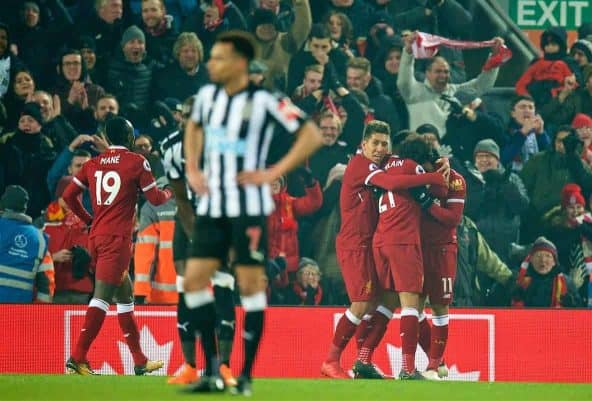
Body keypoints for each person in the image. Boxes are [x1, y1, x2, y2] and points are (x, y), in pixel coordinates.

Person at [183, 31, 321, 395]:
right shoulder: (207, 96)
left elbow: (310, 134)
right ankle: (212, 371)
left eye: (218, 58)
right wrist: (193, 169)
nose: (211, 64)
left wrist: (274, 172)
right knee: (195, 281)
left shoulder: (266, 100)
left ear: (239, 63)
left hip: (248, 208)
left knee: (248, 287)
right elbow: (193, 127)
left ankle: (244, 375)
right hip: (213, 205)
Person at [321, 121, 446, 379]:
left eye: (383, 144)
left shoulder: (385, 161)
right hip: (356, 244)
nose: (379, 148)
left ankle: (363, 359)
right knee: (363, 302)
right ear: (363, 144)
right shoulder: (360, 165)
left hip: (375, 243)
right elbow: (391, 183)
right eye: (374, 143)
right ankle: (331, 360)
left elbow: (400, 160)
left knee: (385, 300)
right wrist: (434, 175)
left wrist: (438, 159)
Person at [61, 116, 172, 376]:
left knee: (125, 300)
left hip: (97, 237)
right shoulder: (136, 162)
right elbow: (155, 199)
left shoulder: (92, 163)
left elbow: (68, 196)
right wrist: (169, 192)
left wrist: (90, 219)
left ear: (108, 139)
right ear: (130, 137)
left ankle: (140, 360)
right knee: (101, 298)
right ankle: (77, 357)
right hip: (117, 240)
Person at [159, 106, 238, 388]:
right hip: (188, 216)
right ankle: (190, 366)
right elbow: (180, 199)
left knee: (224, 282)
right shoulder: (170, 147)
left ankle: (224, 367)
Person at [416, 146, 466, 380]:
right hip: (415, 250)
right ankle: (438, 360)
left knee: (439, 306)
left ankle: (433, 367)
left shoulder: (455, 180)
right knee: (412, 310)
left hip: (443, 250)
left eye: (426, 168)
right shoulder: (413, 177)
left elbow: (453, 218)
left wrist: (428, 205)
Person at [0, 185, 55, 303]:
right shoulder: (40, 239)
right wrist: (37, 315)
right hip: (20, 314)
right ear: (24, 208)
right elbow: (47, 282)